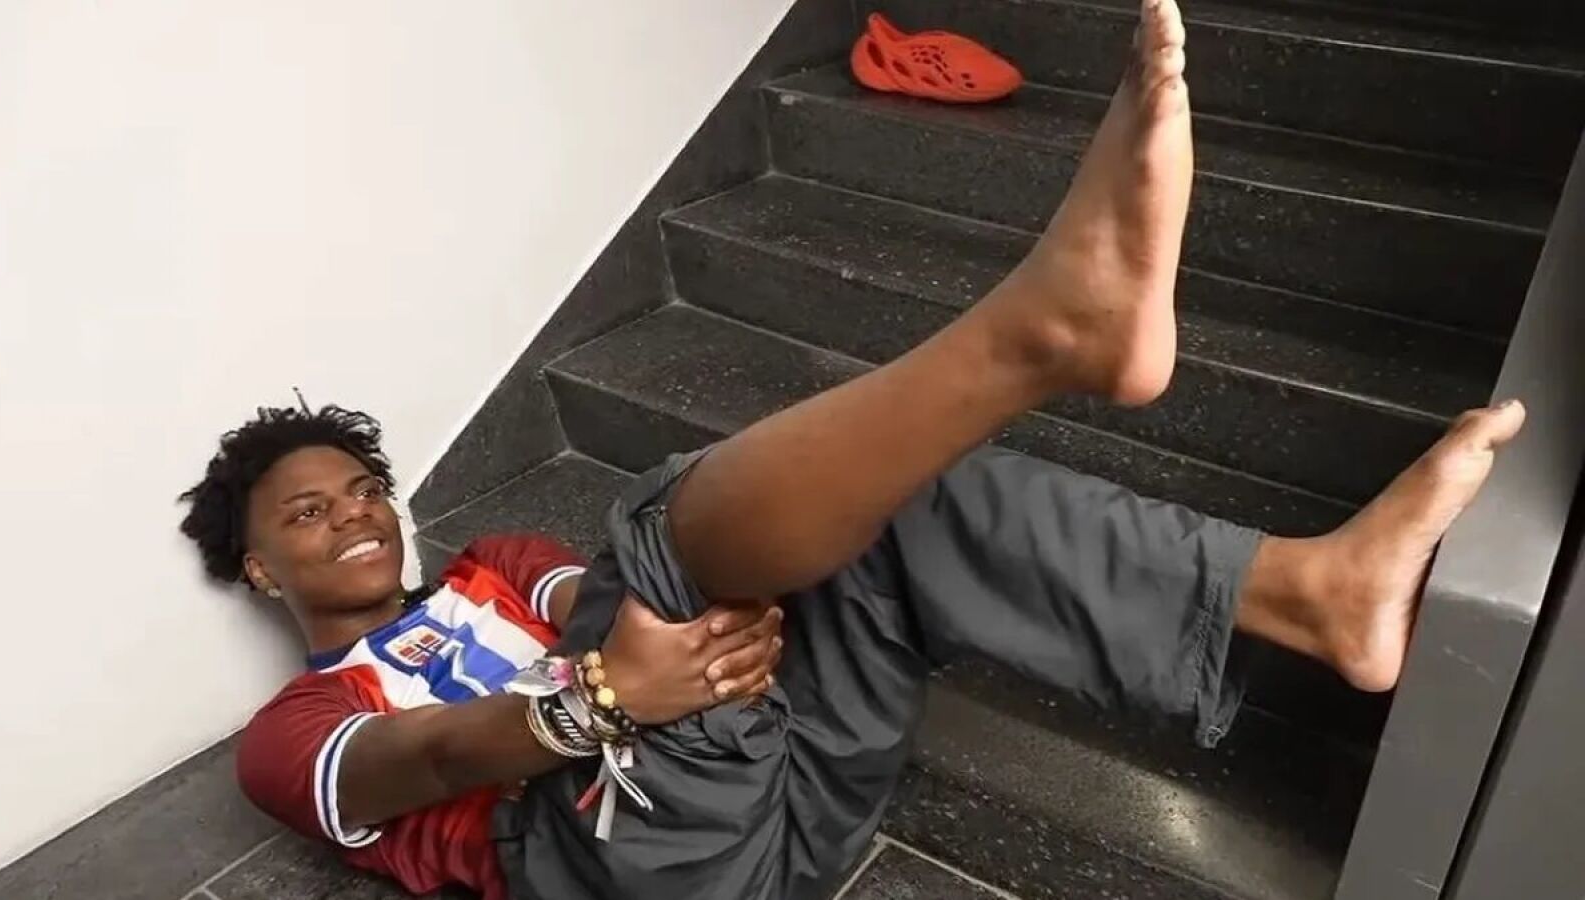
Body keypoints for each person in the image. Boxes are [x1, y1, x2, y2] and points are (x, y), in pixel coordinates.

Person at [177, 1, 1527, 897]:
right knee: (664, 520)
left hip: (797, 785)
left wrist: (679, 656)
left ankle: (1306, 592)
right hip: (627, 862)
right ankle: (1038, 330)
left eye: (363, 488)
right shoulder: (288, 734)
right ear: (257, 571)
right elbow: (426, 765)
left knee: (882, 503)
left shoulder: (500, 565)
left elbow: (660, 609)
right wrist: (600, 702)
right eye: (309, 515)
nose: (357, 515)